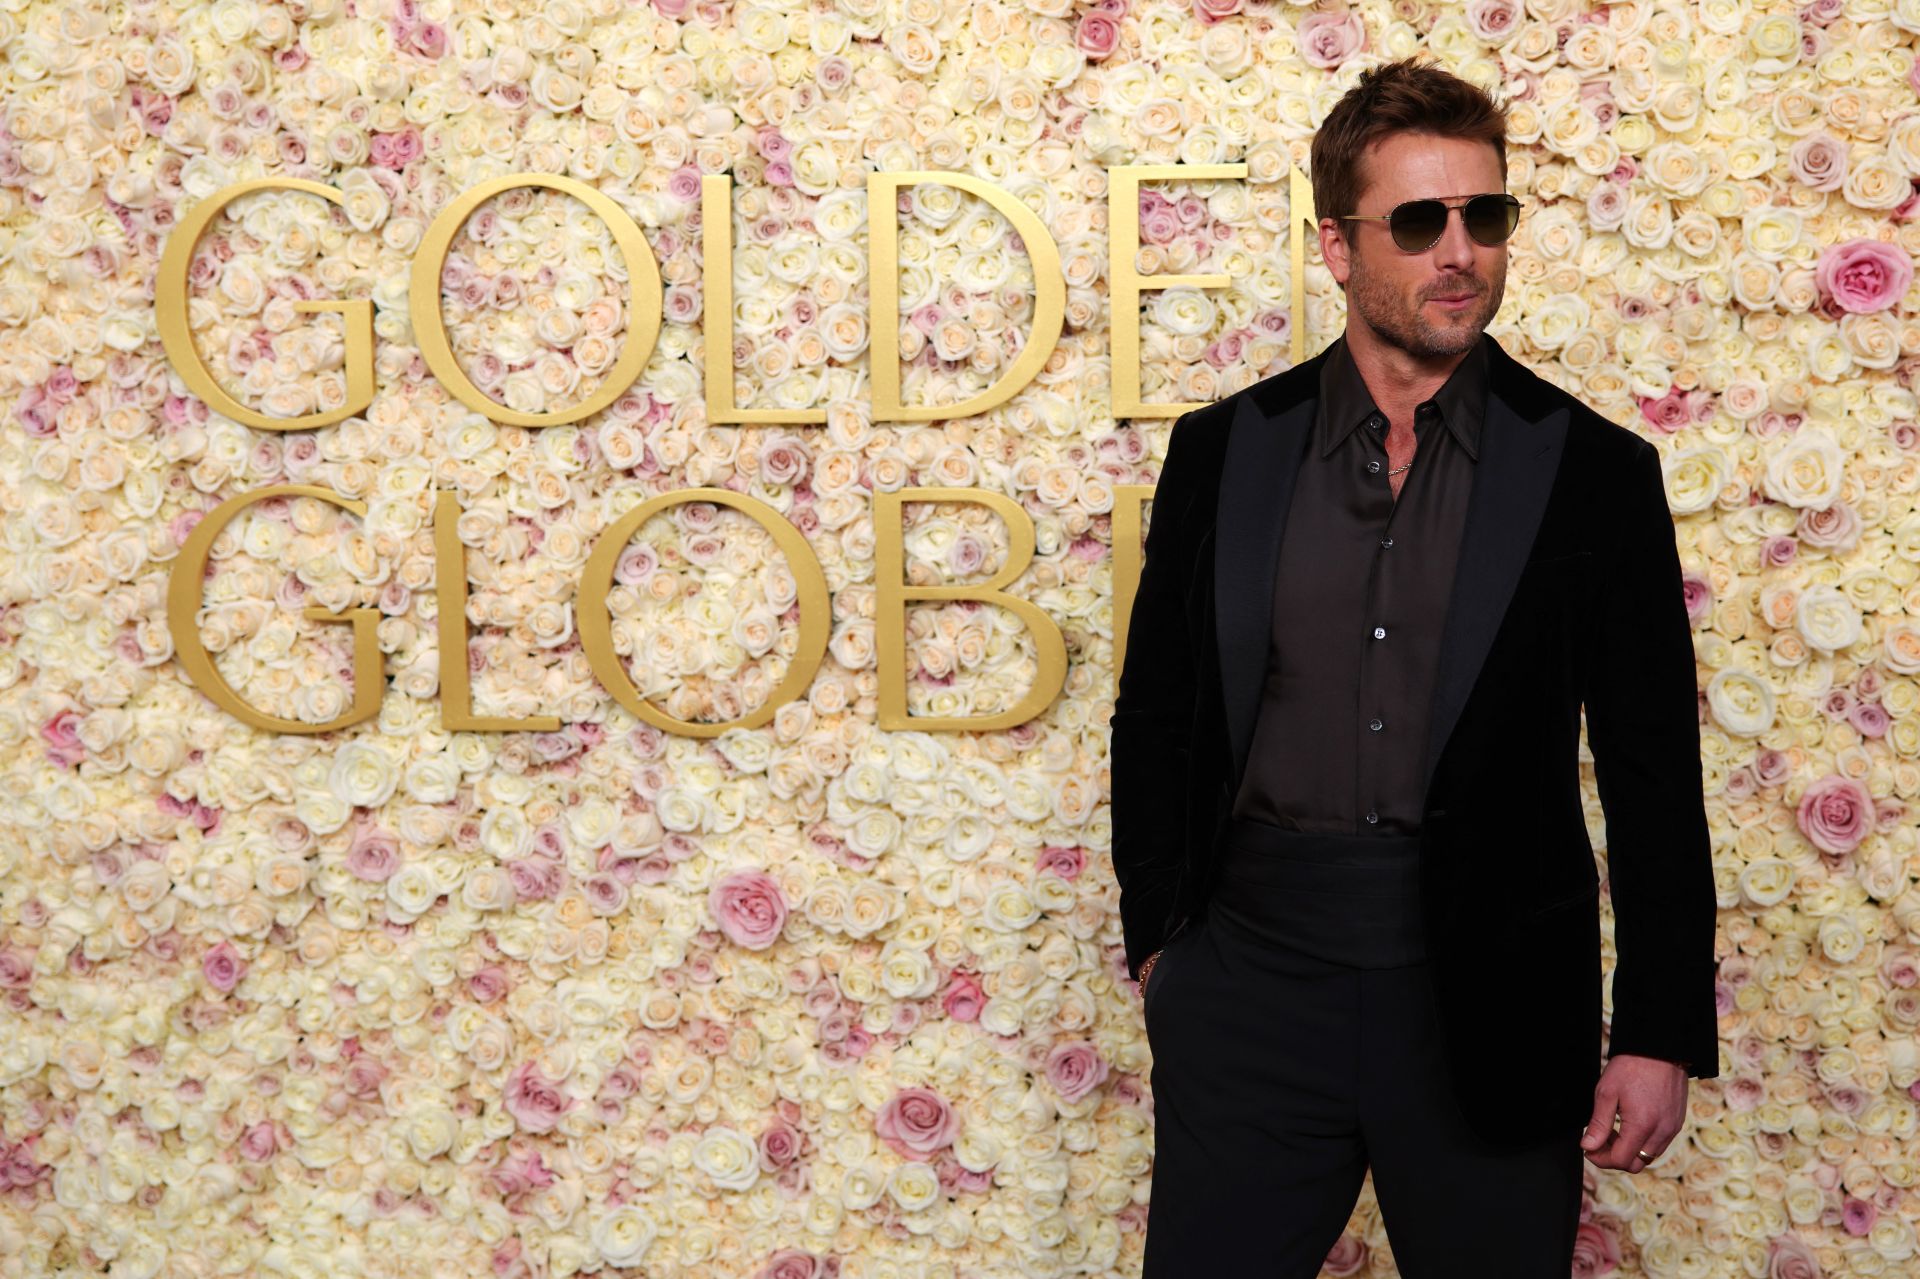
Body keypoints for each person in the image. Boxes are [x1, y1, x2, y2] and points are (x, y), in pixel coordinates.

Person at [1110, 56, 1719, 1276]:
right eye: (1421, 221)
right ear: (1338, 248)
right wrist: (1165, 945)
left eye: (1484, 217)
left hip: (1490, 1002)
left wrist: (1658, 1028)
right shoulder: (1225, 452)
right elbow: (1161, 711)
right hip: (1251, 989)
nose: (1462, 252)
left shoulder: (1595, 471)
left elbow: (1654, 767)